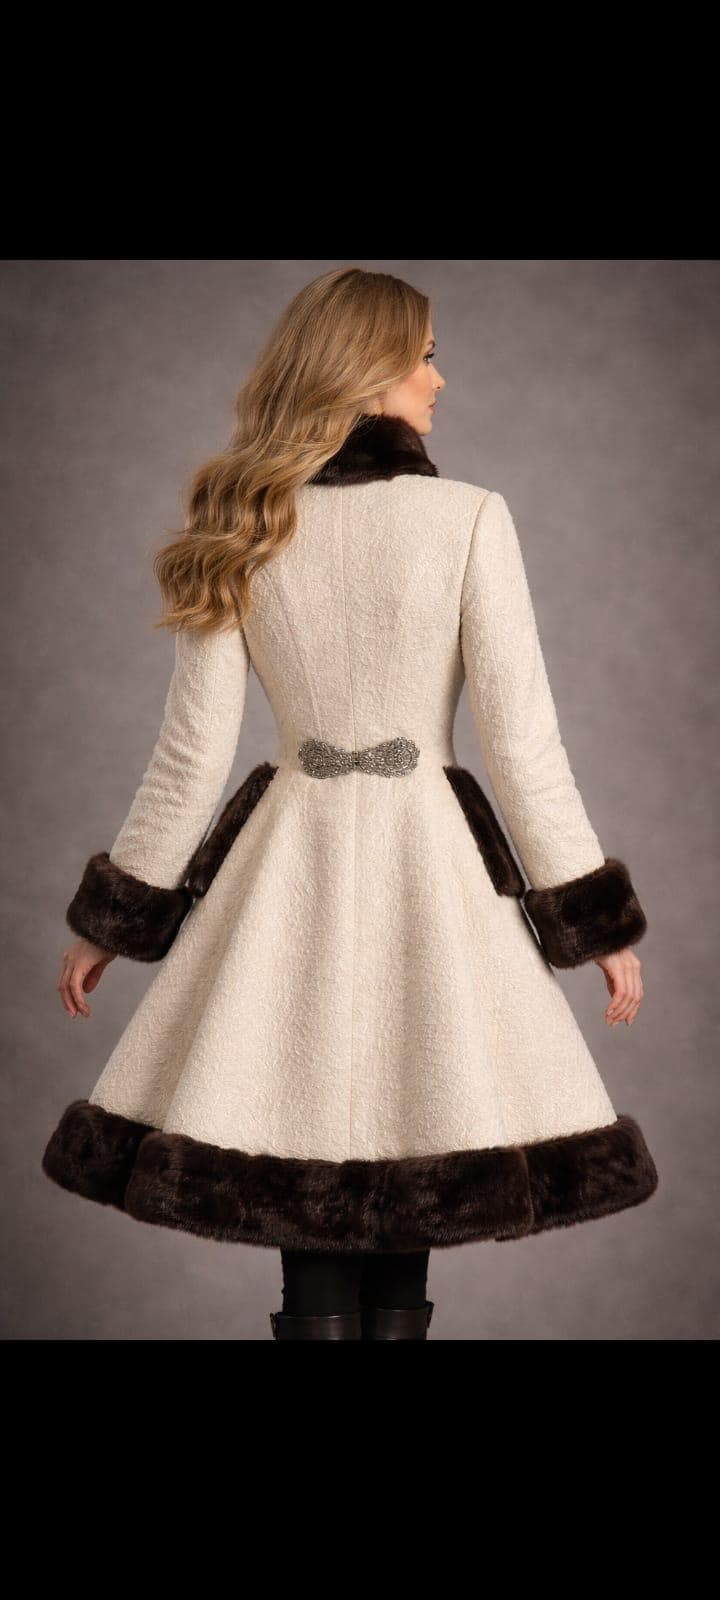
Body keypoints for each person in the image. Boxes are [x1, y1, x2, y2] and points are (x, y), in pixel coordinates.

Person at [42, 266, 657, 1340]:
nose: (440, 378)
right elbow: (523, 747)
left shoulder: (243, 517)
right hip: (434, 877)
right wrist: (590, 922)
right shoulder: (469, 518)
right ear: (368, 369)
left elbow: (191, 756)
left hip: (287, 873)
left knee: (300, 1149)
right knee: (422, 1133)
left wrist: (115, 919)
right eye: (424, 355)